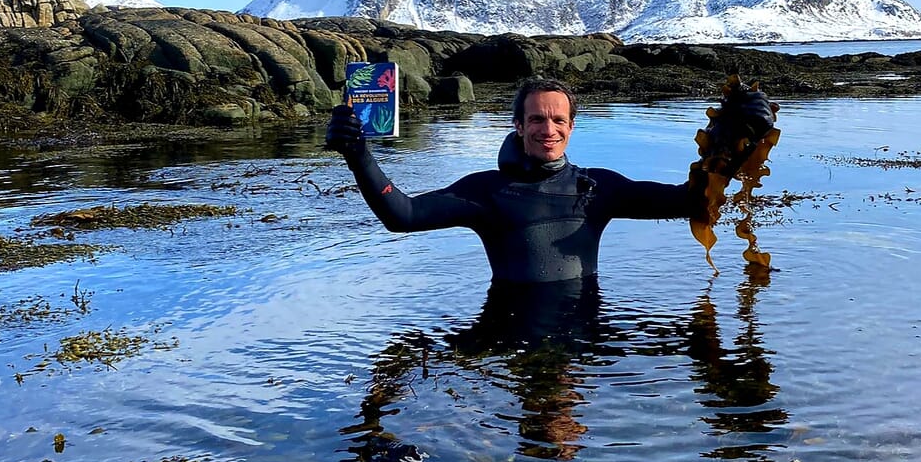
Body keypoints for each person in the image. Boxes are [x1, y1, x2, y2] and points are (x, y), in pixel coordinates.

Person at [325, 77, 774, 285]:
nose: (548, 128)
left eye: (558, 119)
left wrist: (735, 139)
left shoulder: (597, 189)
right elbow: (401, 215)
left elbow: (689, 202)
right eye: (536, 119)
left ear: (572, 127)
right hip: (508, 343)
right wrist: (358, 154)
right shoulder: (485, 193)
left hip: (586, 339)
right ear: (518, 126)